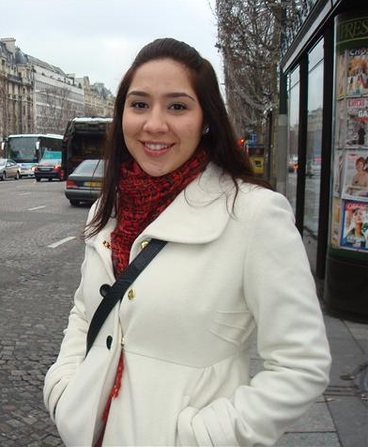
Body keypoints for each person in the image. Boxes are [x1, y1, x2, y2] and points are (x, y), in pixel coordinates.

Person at [43, 38, 331, 447]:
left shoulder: (255, 214)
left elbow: (302, 365)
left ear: (206, 119)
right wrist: (63, 389)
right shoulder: (108, 210)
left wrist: (202, 436)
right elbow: (85, 312)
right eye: (139, 104)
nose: (154, 124)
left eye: (177, 106)